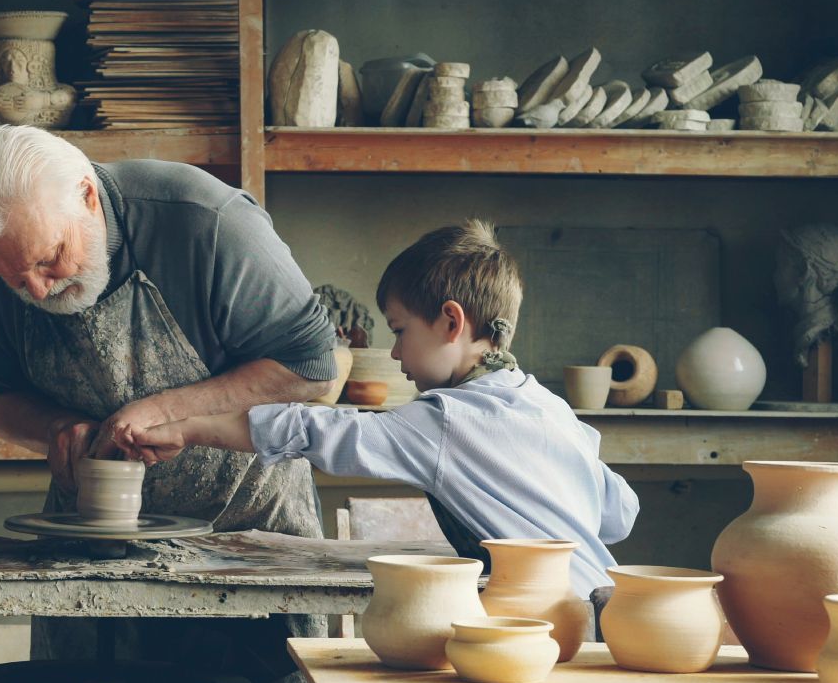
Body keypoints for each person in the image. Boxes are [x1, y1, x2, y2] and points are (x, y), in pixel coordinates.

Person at [0, 124, 339, 683]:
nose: (36, 289)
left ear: (88, 197)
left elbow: (310, 370)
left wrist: (173, 409)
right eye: (13, 279)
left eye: (48, 259)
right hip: (91, 560)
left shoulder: (206, 221)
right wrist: (55, 427)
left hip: (248, 546)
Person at [122, 220, 640, 598]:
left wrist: (187, 429)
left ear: (451, 322)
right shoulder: (547, 406)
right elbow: (619, 513)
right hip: (603, 603)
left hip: (543, 619)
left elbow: (312, 429)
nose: (394, 353)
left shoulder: (445, 421)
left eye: (399, 331)